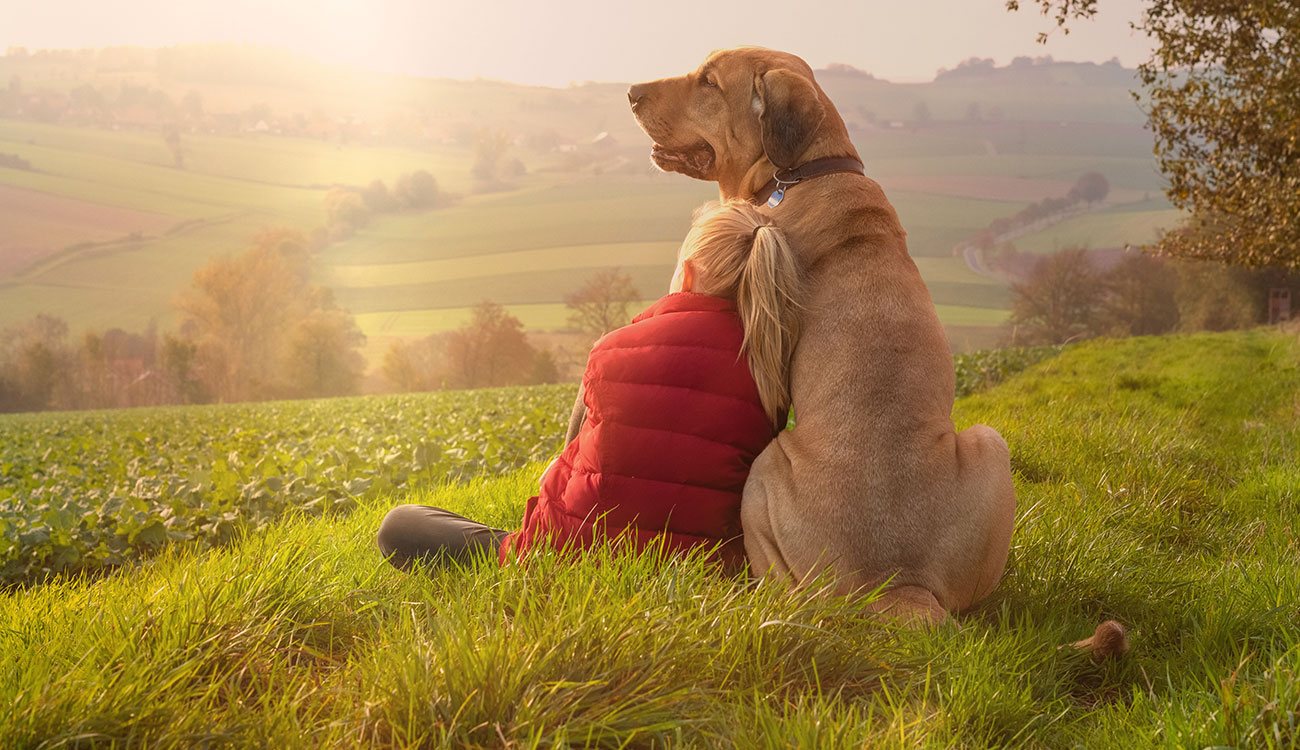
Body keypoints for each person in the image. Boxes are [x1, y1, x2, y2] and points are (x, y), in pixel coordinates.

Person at [375, 200, 804, 572]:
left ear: (687, 275)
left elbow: (565, 478)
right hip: (702, 573)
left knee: (401, 524)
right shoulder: (773, 369)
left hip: (563, 559)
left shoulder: (614, 348)